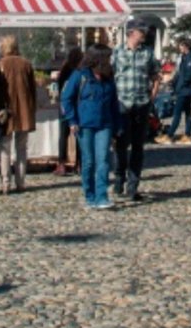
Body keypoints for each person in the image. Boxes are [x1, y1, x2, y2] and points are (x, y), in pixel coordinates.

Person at [61, 46, 118, 210]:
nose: (110, 61)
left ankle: (102, 196)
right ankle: (89, 195)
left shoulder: (108, 77)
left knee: (103, 160)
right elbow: (66, 98)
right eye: (107, 58)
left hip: (105, 124)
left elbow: (114, 102)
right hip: (84, 125)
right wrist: (72, 120)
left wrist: (117, 125)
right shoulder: (80, 76)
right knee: (89, 161)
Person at [111, 20, 158, 200]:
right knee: (120, 144)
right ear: (131, 33)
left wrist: (152, 95)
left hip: (141, 103)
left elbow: (155, 75)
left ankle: (133, 185)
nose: (144, 33)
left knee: (138, 146)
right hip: (122, 103)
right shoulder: (117, 52)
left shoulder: (148, 53)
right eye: (141, 30)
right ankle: (119, 176)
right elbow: (111, 75)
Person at [0, 36, 37, 195]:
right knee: (21, 148)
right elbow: (32, 90)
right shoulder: (26, 64)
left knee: (5, 148)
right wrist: (32, 109)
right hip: (23, 110)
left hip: (5, 111)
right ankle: (21, 182)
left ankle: (6, 182)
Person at [50, 47, 83, 176]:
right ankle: (79, 164)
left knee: (63, 135)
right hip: (78, 105)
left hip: (65, 105)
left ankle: (62, 164)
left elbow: (59, 86)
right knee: (79, 136)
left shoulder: (65, 70)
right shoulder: (80, 71)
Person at [163, 38, 191, 144]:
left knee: (177, 112)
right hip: (184, 88)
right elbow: (180, 73)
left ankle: (170, 135)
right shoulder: (184, 57)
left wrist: (181, 85)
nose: (179, 48)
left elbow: (189, 74)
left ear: (185, 46)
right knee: (188, 112)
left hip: (185, 90)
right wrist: (173, 82)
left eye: (180, 46)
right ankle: (187, 134)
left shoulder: (190, 58)